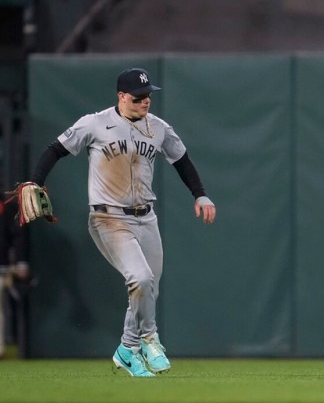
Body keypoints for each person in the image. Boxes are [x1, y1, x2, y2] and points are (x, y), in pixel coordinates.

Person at [27, 67, 217, 377]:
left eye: (148, 96)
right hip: (108, 218)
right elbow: (55, 149)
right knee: (140, 279)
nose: (145, 102)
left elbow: (182, 161)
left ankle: (127, 350)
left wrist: (201, 195)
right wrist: (35, 181)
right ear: (121, 96)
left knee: (147, 290)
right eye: (139, 97)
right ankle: (150, 339)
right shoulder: (95, 123)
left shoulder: (158, 128)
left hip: (147, 218)